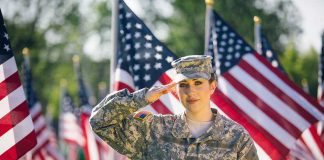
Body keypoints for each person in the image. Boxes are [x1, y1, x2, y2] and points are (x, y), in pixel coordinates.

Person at [90, 55, 259, 160]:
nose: (191, 91)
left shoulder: (236, 137)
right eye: (183, 84)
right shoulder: (153, 130)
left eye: (198, 83)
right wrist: (143, 97)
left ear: (212, 86)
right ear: (176, 90)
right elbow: (99, 121)